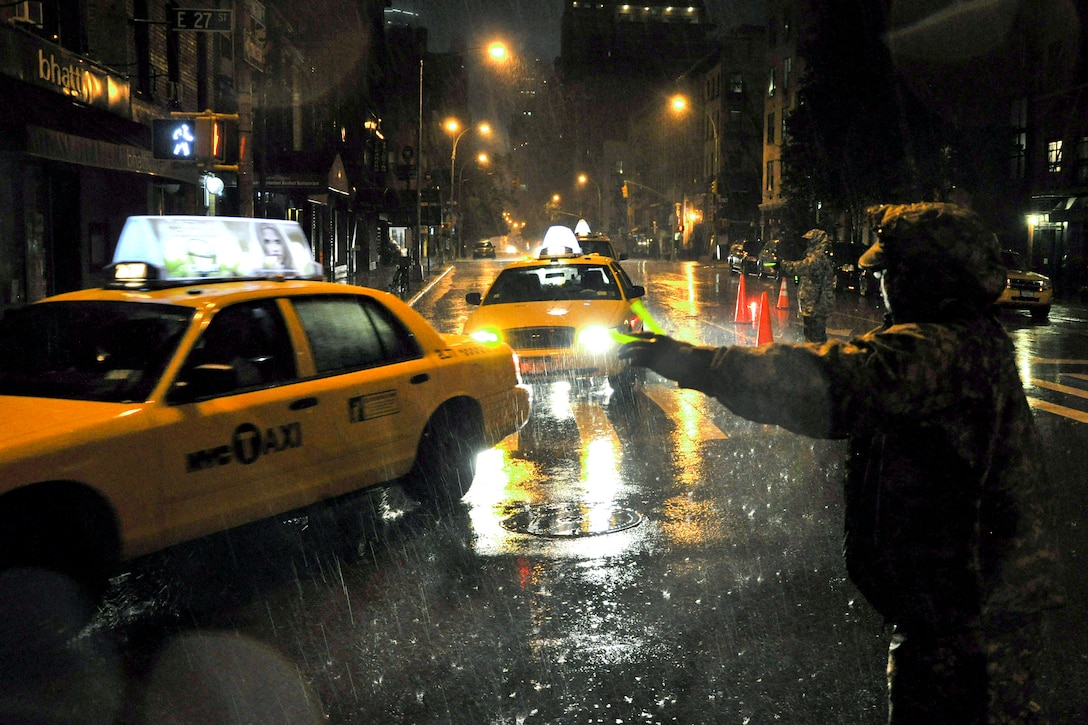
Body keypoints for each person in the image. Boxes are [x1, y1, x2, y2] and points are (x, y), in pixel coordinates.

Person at [619, 202, 1063, 723]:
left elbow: (831, 385)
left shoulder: (943, 348)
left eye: (892, 272)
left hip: (970, 619)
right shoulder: (962, 339)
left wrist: (693, 361)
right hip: (962, 607)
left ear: (925, 276)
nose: (883, 285)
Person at [778, 228, 835, 342]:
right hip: (812, 303)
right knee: (811, 334)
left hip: (817, 303)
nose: (808, 243)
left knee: (816, 336)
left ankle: (818, 358)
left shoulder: (819, 256)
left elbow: (805, 266)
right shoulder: (815, 254)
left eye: (810, 240)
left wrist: (783, 265)